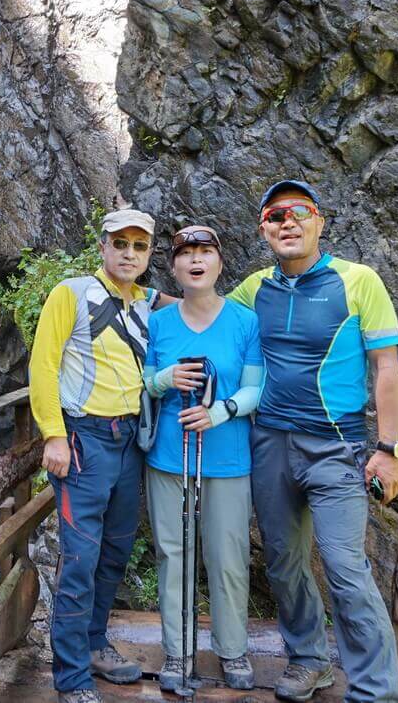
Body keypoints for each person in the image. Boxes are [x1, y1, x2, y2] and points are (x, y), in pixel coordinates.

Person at [227, 180, 398, 703]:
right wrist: (140, 295)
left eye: (299, 212)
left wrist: (390, 449)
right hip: (270, 444)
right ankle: (308, 660)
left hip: (338, 450)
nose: (288, 222)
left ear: (319, 221)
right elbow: (203, 309)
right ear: (264, 229)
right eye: (275, 215)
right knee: (283, 561)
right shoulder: (254, 288)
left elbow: (387, 366)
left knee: (346, 567)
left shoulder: (358, 281)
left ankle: (376, 692)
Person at [29, 208, 166, 703]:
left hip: (130, 443)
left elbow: (201, 305)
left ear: (148, 254)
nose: (129, 253)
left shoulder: (146, 304)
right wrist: (54, 435)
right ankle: (70, 676)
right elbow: (43, 366)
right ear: (103, 246)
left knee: (114, 552)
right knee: (81, 556)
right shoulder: (71, 293)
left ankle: (92, 641)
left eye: (139, 246)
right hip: (84, 441)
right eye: (120, 243)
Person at [142, 225, 263, 694]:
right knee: (174, 555)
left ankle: (232, 650)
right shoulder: (159, 325)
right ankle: (178, 650)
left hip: (228, 456)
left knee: (228, 556)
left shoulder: (244, 322)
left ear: (219, 263)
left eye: (205, 252)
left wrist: (220, 411)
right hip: (170, 456)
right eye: (185, 253)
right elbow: (146, 382)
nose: (195, 260)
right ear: (173, 267)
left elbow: (256, 387)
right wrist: (167, 378)